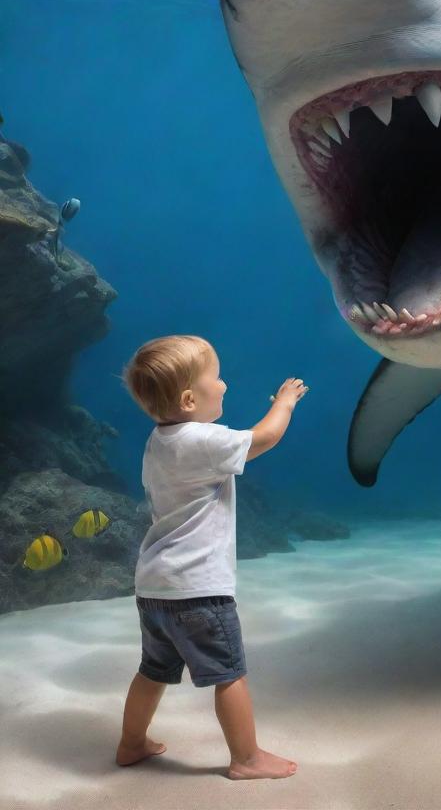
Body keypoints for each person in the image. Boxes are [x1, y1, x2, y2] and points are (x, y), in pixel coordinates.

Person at [115, 334, 308, 779]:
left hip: (154, 588)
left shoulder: (158, 441)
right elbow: (265, 437)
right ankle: (247, 759)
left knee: (152, 671)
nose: (223, 386)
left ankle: (131, 744)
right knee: (229, 674)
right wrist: (285, 401)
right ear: (188, 399)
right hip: (198, 590)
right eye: (215, 379)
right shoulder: (202, 439)